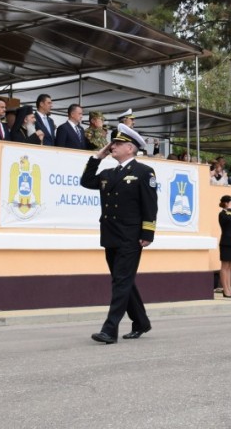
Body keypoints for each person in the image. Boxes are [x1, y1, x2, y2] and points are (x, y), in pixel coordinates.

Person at [79, 123, 157, 344]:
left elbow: (150, 204)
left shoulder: (144, 172)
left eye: (118, 143)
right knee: (123, 280)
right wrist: (97, 157)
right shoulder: (108, 173)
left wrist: (147, 233)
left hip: (131, 237)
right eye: (112, 143)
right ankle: (141, 321)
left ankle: (109, 329)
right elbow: (86, 181)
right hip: (111, 235)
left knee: (121, 281)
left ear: (130, 148)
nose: (112, 146)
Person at [217, 196, 231, 298]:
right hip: (226, 242)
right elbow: (226, 222)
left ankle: (229, 288)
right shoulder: (222, 214)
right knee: (224, 266)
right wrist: (229, 210)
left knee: (229, 267)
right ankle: (225, 289)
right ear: (226, 203)